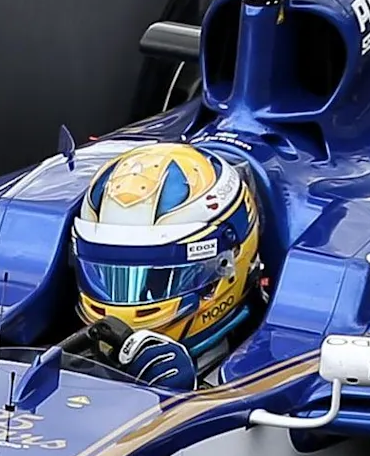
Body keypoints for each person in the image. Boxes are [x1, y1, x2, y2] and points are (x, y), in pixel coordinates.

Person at [65, 140, 272, 390]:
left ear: (230, 261)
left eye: (158, 280)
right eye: (107, 276)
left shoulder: (271, 365)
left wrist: (188, 397)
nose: (121, 309)